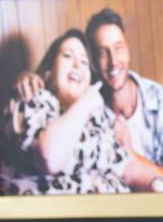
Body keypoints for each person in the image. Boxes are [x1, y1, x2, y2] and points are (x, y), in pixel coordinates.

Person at [15, 9, 163, 192]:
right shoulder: (88, 102)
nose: (113, 61)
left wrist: (131, 154)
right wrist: (29, 76)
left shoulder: (161, 100)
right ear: (94, 61)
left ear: (128, 49)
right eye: (102, 53)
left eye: (119, 48)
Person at [1, 29, 129, 195]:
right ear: (49, 70)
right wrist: (86, 103)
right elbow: (50, 158)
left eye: (84, 62)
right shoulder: (30, 97)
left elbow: (126, 168)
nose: (77, 65)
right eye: (68, 56)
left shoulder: (96, 117)